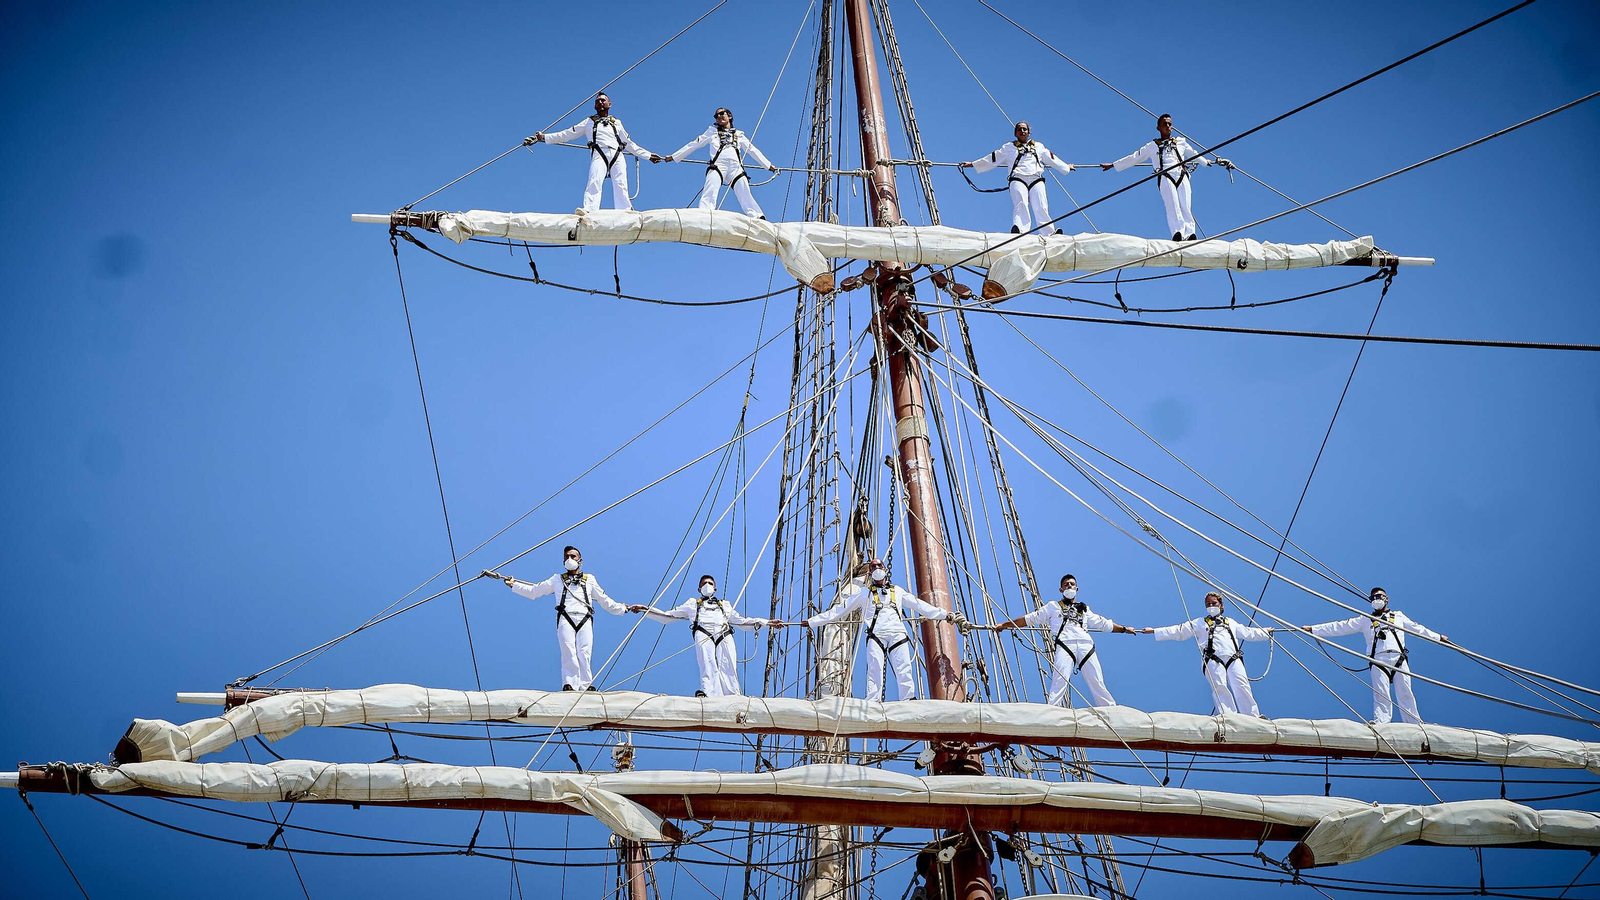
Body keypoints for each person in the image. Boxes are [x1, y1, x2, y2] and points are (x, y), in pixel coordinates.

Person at [803, 559, 968, 701]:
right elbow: (838, 611)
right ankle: (873, 700)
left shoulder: (898, 591)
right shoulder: (864, 594)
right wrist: (812, 622)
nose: (875, 568)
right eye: (872, 567)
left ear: (885, 569)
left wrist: (944, 614)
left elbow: (920, 606)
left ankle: (907, 698)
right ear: (869, 573)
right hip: (876, 635)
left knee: (904, 668)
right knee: (874, 669)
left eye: (878, 565)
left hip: (897, 634)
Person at [1297, 587, 1450, 725]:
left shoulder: (1398, 616)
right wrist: (1314, 629)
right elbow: (1340, 626)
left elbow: (1417, 629)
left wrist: (1437, 637)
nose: (1376, 600)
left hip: (1399, 658)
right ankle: (1381, 722)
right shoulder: (1364, 619)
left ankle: (1415, 724)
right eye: (1373, 598)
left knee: (1405, 693)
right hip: (1378, 660)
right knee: (1381, 694)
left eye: (1379, 596)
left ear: (1387, 598)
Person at [995, 574, 1143, 707]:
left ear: (1077, 588)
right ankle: (1053, 710)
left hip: (1085, 645)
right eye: (1066, 584)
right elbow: (1032, 618)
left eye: (1072, 584)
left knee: (1097, 680)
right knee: (1059, 680)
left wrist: (1123, 629)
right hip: (1065, 645)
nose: (1069, 586)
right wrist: (1005, 625)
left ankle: (1110, 709)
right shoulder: (1053, 606)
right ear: (1061, 589)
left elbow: (1102, 623)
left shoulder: (1084, 609)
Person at [499, 545, 629, 691]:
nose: (569, 559)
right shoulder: (557, 579)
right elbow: (535, 591)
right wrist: (514, 585)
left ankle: (586, 686)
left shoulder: (590, 579)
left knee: (584, 652)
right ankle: (570, 684)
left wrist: (623, 608)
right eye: (566, 557)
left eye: (572, 556)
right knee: (568, 650)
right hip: (566, 617)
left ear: (580, 560)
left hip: (584, 618)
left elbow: (605, 600)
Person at [631, 575, 784, 697]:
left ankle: (733, 695)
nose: (707, 585)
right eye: (704, 583)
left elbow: (742, 622)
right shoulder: (692, 604)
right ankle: (710, 694)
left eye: (710, 583)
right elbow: (668, 616)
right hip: (703, 633)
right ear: (699, 588)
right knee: (706, 663)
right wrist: (646, 610)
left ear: (715, 588)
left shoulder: (724, 605)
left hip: (724, 633)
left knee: (729, 664)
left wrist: (767, 622)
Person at [1101, 113, 1232, 241]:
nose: (1168, 126)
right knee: (1173, 205)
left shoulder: (1181, 142)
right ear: (1158, 128)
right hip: (1165, 175)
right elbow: (1135, 157)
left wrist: (1205, 161)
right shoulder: (1152, 146)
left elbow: (1193, 153)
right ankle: (1178, 232)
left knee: (1185, 205)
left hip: (1181, 174)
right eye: (1165, 124)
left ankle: (1190, 233)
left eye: (1170, 124)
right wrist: (1114, 165)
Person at [529, 93, 655, 213]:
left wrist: (648, 155)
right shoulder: (589, 122)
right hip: (599, 154)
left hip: (617, 155)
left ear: (609, 104)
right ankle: (589, 210)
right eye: (597, 101)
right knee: (594, 181)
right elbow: (567, 134)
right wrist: (544, 137)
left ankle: (625, 211)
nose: (600, 102)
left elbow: (629, 143)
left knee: (621, 184)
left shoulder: (617, 123)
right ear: (594, 106)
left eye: (603, 100)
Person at [1151, 592, 1272, 717]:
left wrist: (1265, 632)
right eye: (1208, 604)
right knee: (1219, 687)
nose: (1211, 606)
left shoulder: (1231, 622)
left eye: (1213, 603)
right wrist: (1155, 631)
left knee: (1242, 685)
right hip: (1213, 659)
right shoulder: (1200, 623)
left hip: (1233, 657)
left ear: (1221, 604)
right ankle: (1228, 716)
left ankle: (1253, 716)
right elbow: (1179, 630)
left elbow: (1248, 632)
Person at [960, 121, 1076, 234]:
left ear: (1029, 132)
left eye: (1024, 129)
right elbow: (993, 158)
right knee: (1021, 204)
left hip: (1036, 179)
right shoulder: (1008, 147)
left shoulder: (1038, 146)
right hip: (1018, 178)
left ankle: (1049, 232)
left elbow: (1052, 158)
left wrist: (1066, 167)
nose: (1022, 131)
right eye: (1019, 129)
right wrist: (973, 164)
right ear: (1015, 133)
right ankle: (1020, 230)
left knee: (1041, 205)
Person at [662, 107, 778, 218]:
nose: (718, 117)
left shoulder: (739, 134)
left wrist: (768, 165)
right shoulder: (712, 132)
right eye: (716, 115)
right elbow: (694, 144)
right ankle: (705, 214)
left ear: (730, 116)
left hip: (736, 167)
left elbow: (752, 150)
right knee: (711, 188)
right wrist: (674, 156)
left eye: (721, 113)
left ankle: (757, 216)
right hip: (718, 165)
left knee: (744, 191)